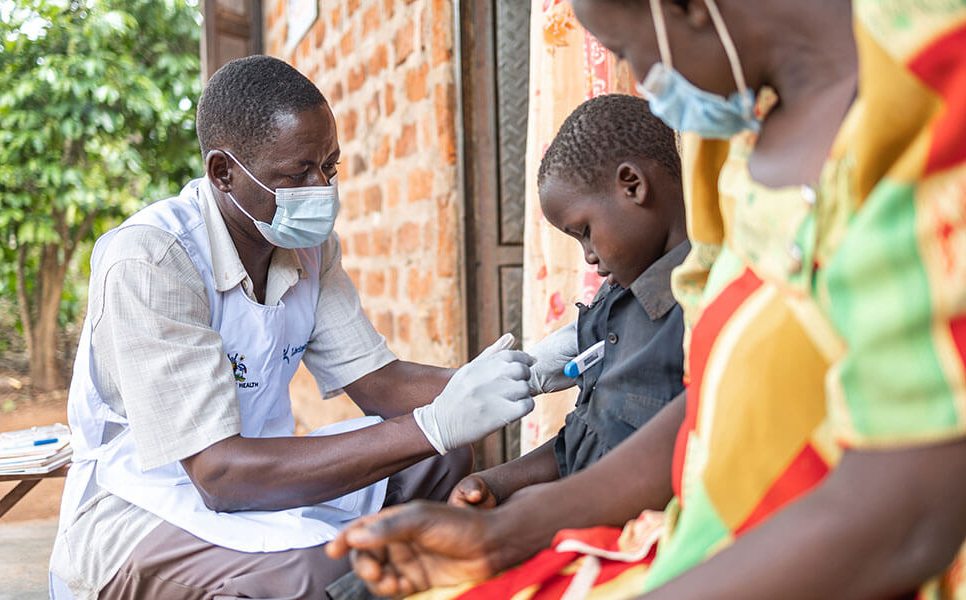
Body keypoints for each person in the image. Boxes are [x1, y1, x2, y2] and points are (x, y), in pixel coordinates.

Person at [326, 1, 966, 598]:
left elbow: (908, 512)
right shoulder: (740, 132)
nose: (645, 81)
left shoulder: (934, 94)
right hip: (699, 539)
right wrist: (507, 531)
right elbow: (710, 409)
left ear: (687, 7)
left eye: (630, 50)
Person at [49, 55, 575, 600]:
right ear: (222, 173)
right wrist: (434, 424)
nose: (320, 189)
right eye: (297, 173)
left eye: (330, 167)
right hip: (142, 503)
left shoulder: (307, 248)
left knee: (441, 461)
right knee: (314, 572)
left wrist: (527, 372)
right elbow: (219, 473)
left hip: (257, 470)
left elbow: (381, 384)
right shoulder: (153, 262)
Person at [447, 94, 688, 511]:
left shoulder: (697, 308)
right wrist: (495, 482)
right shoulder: (612, 306)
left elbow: (656, 467)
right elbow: (586, 435)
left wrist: (525, 513)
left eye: (585, 231)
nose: (589, 258)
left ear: (632, 185)